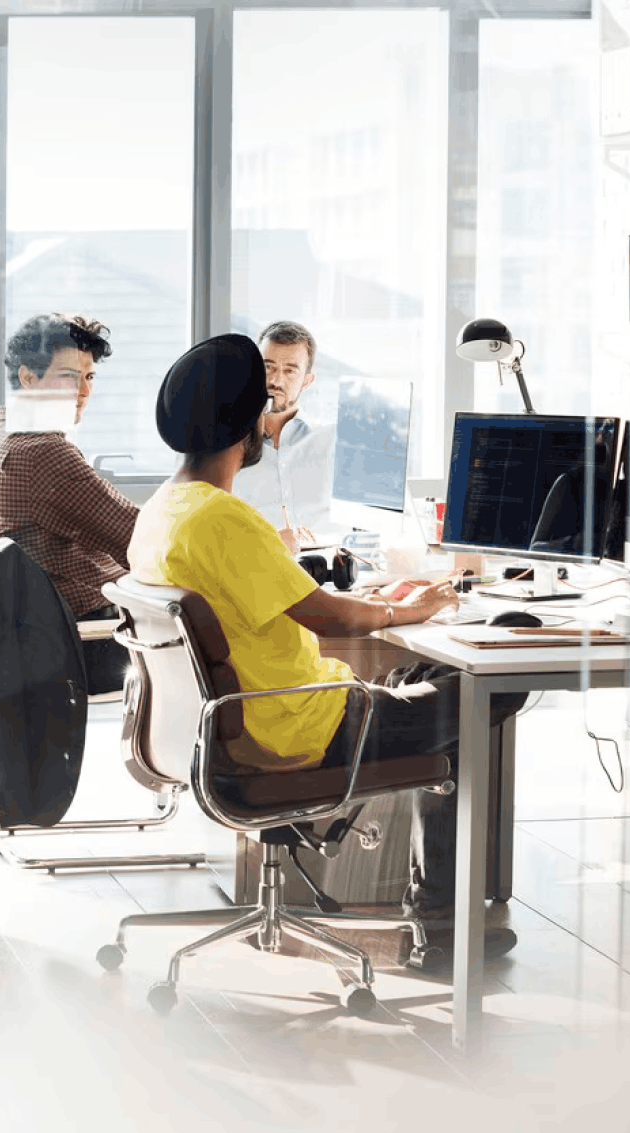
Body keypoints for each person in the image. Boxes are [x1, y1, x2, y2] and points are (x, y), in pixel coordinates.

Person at [125, 334, 521, 969]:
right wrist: (407, 608)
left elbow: (292, 601)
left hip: (239, 725)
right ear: (248, 422)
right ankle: (444, 929)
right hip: (303, 726)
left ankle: (438, 913)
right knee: (489, 687)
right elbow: (329, 614)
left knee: (431, 673)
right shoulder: (223, 520)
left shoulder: (165, 510)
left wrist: (392, 604)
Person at [0, 312, 130, 696]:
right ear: (27, 377)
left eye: (89, 377)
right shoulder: (44, 452)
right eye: (70, 376)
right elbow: (138, 538)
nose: (84, 392)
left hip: (35, 639)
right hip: (86, 643)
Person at [233, 320, 337, 552]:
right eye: (268, 367)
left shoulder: (333, 442)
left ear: (308, 380)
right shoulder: (227, 444)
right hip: (255, 566)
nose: (276, 381)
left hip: (327, 566)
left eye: (290, 370)